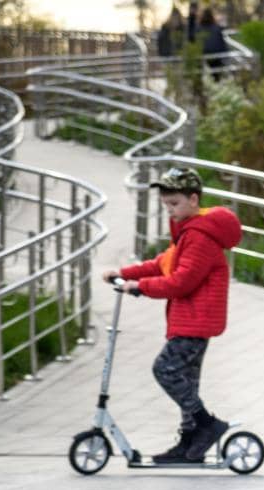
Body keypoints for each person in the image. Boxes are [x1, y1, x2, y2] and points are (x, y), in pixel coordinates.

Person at [101, 167, 243, 463]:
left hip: (196, 321)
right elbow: (163, 264)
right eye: (166, 204)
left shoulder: (200, 236)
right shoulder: (187, 232)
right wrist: (124, 273)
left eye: (175, 203)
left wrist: (138, 288)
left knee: (165, 370)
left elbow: (182, 281)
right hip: (189, 320)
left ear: (194, 199)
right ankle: (190, 444)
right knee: (187, 382)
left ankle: (206, 425)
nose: (170, 210)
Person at [199, 8, 228, 78]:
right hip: (215, 55)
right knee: (216, 75)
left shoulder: (199, 28)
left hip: (206, 54)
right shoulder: (217, 27)